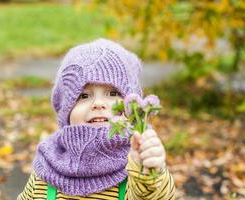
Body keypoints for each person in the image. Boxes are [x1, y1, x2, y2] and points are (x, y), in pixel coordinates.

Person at [17, 38, 175, 199]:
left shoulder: (137, 161)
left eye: (112, 93)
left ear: (132, 105)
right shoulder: (48, 167)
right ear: (66, 112)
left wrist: (148, 175)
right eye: (84, 95)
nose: (98, 103)